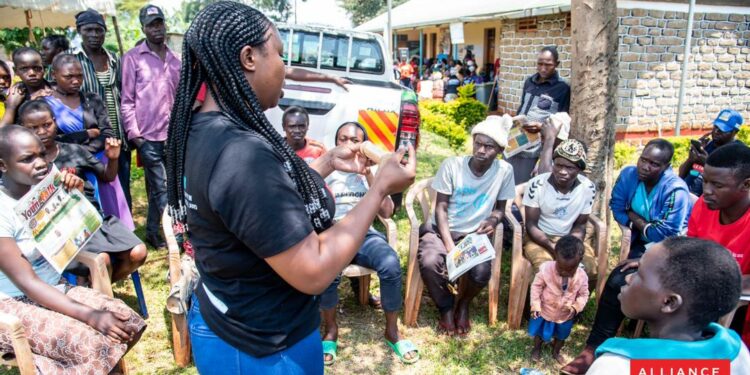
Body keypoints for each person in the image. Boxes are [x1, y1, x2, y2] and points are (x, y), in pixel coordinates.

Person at [164, 3, 415, 373]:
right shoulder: (241, 155)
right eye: (279, 53)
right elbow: (313, 270)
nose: (285, 66)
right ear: (249, 57)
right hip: (260, 348)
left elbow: (254, 209)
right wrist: (379, 189)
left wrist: (327, 162)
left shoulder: (201, 131)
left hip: (227, 317)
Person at [0, 125, 146, 373]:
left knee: (127, 321)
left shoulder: (44, 187)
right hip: (12, 302)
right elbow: (28, 283)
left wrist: (74, 198)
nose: (40, 163)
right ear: (3, 165)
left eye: (42, 154)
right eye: (27, 159)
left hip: (54, 286)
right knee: (91, 342)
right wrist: (91, 316)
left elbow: (75, 237)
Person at [562, 139, 693, 374]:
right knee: (617, 281)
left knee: (622, 280)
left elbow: (665, 233)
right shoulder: (629, 175)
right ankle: (593, 347)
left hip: (672, 252)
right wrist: (642, 225)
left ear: (666, 166)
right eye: (644, 159)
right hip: (640, 245)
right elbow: (618, 206)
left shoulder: (676, 190)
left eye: (654, 164)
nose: (645, 167)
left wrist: (636, 220)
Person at [319, 122, 418, 365]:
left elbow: (387, 212)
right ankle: (330, 330)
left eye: (355, 140)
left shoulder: (368, 173)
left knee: (391, 263)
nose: (348, 145)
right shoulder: (327, 171)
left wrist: (371, 176)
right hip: (334, 233)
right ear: (336, 143)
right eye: (343, 139)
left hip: (365, 236)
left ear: (364, 145)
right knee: (328, 273)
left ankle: (392, 331)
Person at [18, 99, 147, 282]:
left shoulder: (74, 151)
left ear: (55, 122)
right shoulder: (23, 164)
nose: (42, 132)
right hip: (61, 231)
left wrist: (112, 159)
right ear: (23, 129)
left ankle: (96, 286)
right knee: (102, 260)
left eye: (47, 125)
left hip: (94, 219)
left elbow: (107, 177)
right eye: (33, 128)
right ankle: (98, 290)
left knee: (138, 253)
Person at [586, 237, 750, 374]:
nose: (628, 278)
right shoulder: (738, 355)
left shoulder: (616, 366)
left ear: (669, 302)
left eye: (639, 274)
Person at [417, 115, 515, 335]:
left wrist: (493, 219)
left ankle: (463, 303)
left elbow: (501, 208)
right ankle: (445, 308)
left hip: (473, 235)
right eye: (477, 143)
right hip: (442, 230)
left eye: (488, 146)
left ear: (499, 150)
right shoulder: (452, 165)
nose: (481, 150)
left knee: (481, 273)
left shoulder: (504, 171)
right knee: (430, 261)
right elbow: (440, 208)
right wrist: (450, 246)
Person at [44, 54, 135, 233]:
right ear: (54, 75)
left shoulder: (91, 98)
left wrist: (82, 151)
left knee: (112, 217)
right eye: (69, 76)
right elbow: (49, 140)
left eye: (79, 76)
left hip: (100, 163)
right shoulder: (45, 104)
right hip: (68, 169)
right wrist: (86, 134)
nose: (76, 81)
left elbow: (107, 132)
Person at [120, 4, 180, 249]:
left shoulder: (176, 60)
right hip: (148, 137)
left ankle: (154, 232)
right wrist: (137, 137)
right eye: (151, 24)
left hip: (173, 136)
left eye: (160, 23)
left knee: (165, 187)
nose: (157, 29)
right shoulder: (133, 59)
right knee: (162, 189)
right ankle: (174, 239)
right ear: (143, 28)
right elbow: (127, 101)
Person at [67, 8, 132, 210]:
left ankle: (126, 230)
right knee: (95, 188)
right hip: (90, 141)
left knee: (122, 186)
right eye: (89, 30)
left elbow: (124, 93)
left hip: (117, 136)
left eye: (99, 30)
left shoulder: (114, 59)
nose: (95, 35)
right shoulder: (70, 61)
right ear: (79, 31)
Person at [687, 143, 750, 346]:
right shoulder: (703, 207)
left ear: (746, 185)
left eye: (717, 185)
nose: (706, 191)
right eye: (705, 181)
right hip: (704, 295)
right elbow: (691, 251)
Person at [522, 139, 598, 280]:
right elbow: (531, 225)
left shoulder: (588, 188)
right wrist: (554, 248)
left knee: (590, 269)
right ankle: (533, 302)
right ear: (553, 163)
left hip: (570, 238)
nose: (562, 171)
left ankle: (577, 301)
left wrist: (571, 247)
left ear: (579, 169)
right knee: (544, 271)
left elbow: (580, 225)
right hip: (540, 238)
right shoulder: (537, 185)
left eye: (570, 167)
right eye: (559, 165)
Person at [507, 46, 571, 185]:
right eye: (540, 64)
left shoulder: (562, 89)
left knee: (525, 184)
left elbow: (562, 121)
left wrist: (541, 127)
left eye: (548, 65)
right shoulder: (529, 82)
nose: (543, 68)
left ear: (557, 65)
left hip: (536, 146)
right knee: (507, 179)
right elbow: (522, 107)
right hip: (516, 138)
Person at [529, 235, 589, 364]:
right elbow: (536, 287)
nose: (564, 272)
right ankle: (537, 348)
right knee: (539, 332)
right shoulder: (546, 269)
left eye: (570, 269)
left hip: (565, 315)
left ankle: (556, 351)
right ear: (555, 256)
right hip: (544, 310)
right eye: (560, 268)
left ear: (580, 261)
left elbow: (584, 294)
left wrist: (576, 307)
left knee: (561, 335)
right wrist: (535, 304)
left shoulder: (582, 276)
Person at [679, 109, 745, 196]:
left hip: (706, 200)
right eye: (715, 127)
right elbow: (681, 175)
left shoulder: (738, 152)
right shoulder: (708, 145)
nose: (716, 132)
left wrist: (707, 163)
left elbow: (730, 182)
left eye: (722, 130)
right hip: (684, 192)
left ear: (735, 132)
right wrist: (690, 159)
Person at [0, 48, 53, 126]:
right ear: (16, 71)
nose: (32, 73)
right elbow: (4, 132)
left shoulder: (56, 91)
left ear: (44, 69)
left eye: (36, 68)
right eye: (24, 69)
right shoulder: (14, 96)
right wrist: (11, 106)